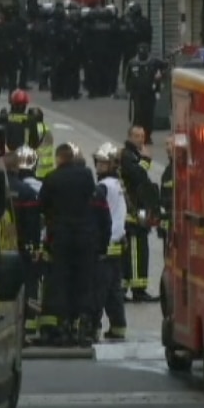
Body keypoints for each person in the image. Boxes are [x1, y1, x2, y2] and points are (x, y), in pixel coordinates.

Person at [39, 143, 99, 346]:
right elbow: (91, 199)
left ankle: (62, 324)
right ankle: (83, 323)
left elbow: (42, 205)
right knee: (84, 280)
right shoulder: (86, 175)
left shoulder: (52, 178)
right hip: (85, 237)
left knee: (61, 281)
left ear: (58, 158)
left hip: (62, 237)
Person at [6, 148, 43, 344]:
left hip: (0, 249)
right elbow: (32, 224)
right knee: (28, 286)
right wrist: (33, 247)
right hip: (21, 250)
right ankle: (27, 327)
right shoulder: (26, 192)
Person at [92, 142, 128, 341]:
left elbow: (98, 215)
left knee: (99, 288)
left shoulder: (103, 187)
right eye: (98, 162)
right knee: (114, 289)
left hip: (107, 244)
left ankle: (94, 327)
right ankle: (118, 326)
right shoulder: (117, 185)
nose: (98, 166)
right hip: (117, 244)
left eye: (102, 163)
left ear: (111, 165)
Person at [119, 126, 159, 303]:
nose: (140, 139)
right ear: (129, 136)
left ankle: (131, 288)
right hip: (132, 214)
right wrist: (146, 160)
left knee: (139, 250)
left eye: (143, 136)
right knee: (135, 252)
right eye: (136, 136)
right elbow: (138, 176)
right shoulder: (127, 155)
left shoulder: (133, 154)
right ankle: (137, 290)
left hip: (138, 211)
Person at [125, 42, 167, 144]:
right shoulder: (132, 63)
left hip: (150, 93)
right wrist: (128, 91)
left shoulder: (153, 62)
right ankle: (136, 136)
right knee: (138, 115)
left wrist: (160, 75)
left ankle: (147, 136)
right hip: (137, 94)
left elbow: (165, 66)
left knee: (148, 115)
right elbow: (128, 78)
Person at [0, 10, 17, 99]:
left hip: (0, 55)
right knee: (11, 75)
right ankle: (12, 93)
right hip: (10, 54)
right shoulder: (10, 27)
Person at [158, 138, 174, 259]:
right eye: (166, 144)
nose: (167, 148)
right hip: (168, 222)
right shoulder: (168, 171)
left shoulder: (180, 170)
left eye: (170, 144)